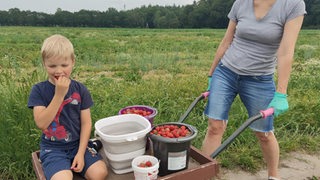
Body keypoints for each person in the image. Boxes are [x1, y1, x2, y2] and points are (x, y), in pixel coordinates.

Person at [201, 0, 306, 179]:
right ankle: (202, 174)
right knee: (215, 127)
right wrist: (212, 75)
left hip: (259, 79)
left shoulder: (293, 4)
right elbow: (227, 40)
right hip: (226, 72)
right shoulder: (241, 3)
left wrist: (281, 92)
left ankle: (273, 176)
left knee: (263, 133)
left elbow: (286, 51)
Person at [28, 34, 108, 180]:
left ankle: (91, 146)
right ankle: (61, 163)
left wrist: (80, 153)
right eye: (52, 66)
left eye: (64, 65)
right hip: (53, 148)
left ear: (73, 62)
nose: (59, 71)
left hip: (78, 145)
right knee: (63, 178)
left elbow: (86, 122)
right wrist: (59, 94)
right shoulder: (38, 90)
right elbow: (41, 123)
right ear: (44, 63)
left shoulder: (80, 89)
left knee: (99, 174)